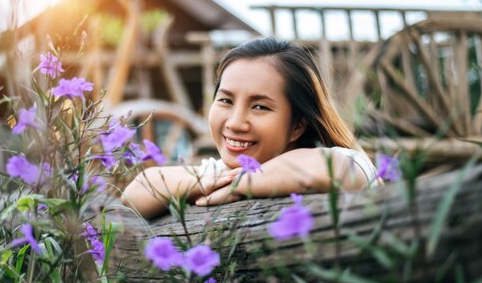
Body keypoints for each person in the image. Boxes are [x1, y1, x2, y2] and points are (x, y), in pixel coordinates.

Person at [123, 37, 378, 218]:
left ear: (297, 126)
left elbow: (326, 168)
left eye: (260, 107)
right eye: (225, 100)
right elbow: (138, 190)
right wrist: (204, 181)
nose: (235, 123)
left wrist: (237, 187)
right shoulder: (220, 172)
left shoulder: (351, 161)